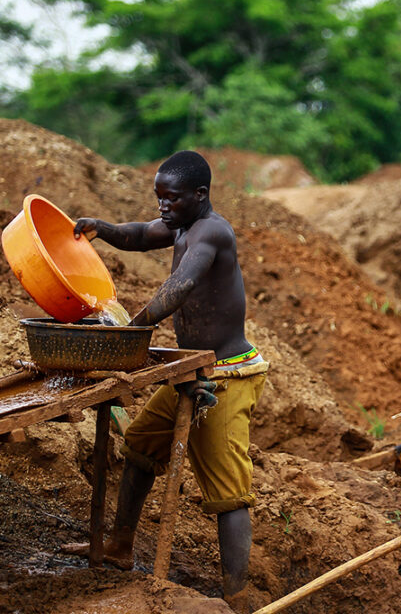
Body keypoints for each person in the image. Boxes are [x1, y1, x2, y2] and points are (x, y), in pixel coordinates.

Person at [64, 150, 267, 613]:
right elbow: (138, 235)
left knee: (228, 494)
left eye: (170, 198)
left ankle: (237, 595)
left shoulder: (212, 231)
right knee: (139, 448)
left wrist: (134, 327)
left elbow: (182, 285)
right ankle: (119, 546)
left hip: (225, 375)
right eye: (158, 197)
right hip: (188, 369)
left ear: (199, 195)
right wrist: (104, 228)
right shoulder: (180, 224)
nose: (162, 206)